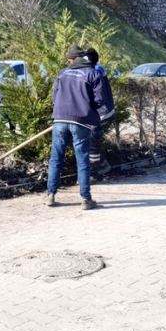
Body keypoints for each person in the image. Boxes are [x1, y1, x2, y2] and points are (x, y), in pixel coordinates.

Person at [45, 44, 110, 210]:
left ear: (71, 60)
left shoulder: (62, 73)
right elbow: (100, 100)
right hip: (81, 121)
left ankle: (50, 196)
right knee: (82, 160)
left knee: (55, 159)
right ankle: (85, 199)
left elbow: (54, 97)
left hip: (59, 120)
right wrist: (92, 112)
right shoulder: (93, 73)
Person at [85, 47, 115, 177]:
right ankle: (102, 165)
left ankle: (95, 171)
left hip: (100, 113)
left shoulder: (94, 72)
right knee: (91, 140)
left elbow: (98, 96)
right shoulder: (98, 69)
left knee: (92, 140)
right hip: (104, 110)